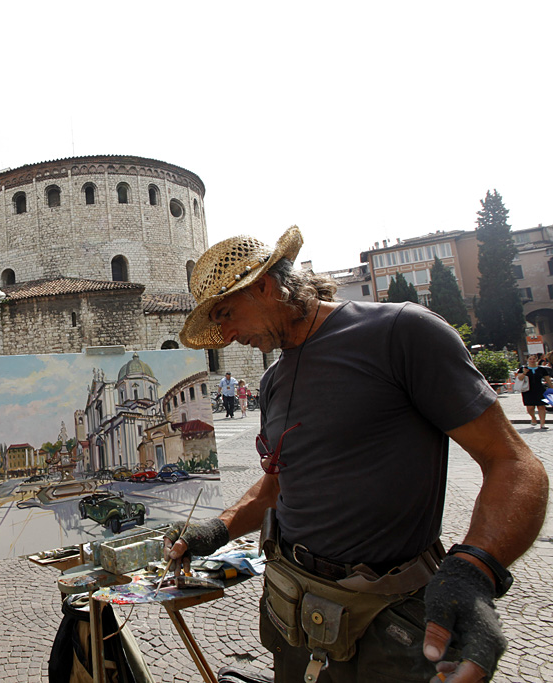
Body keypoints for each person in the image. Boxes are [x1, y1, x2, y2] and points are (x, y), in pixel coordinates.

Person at [165, 226, 548, 683]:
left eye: (227, 314)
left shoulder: (400, 332)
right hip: (294, 609)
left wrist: (475, 569)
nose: (226, 336)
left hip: (390, 617)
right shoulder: (271, 383)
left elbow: (512, 462)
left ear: (264, 286)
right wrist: (216, 529)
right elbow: (278, 485)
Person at [515, 354, 552, 429]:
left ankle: (542, 424)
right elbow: (520, 378)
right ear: (527, 360)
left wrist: (552, 388)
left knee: (541, 406)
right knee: (530, 408)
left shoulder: (542, 369)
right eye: (530, 359)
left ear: (537, 360)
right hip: (528, 390)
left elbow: (547, 380)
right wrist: (524, 373)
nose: (532, 360)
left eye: (534, 359)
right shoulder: (523, 368)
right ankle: (533, 418)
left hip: (540, 389)